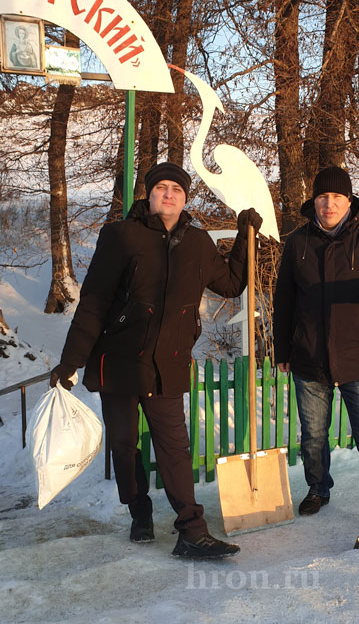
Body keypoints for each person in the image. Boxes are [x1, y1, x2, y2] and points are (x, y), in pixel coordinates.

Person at [51, 161, 262, 558]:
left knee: (174, 447)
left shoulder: (198, 243)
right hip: (118, 363)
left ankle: (192, 530)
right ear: (148, 194)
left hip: (167, 365)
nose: (169, 194)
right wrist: (70, 362)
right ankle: (139, 510)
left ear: (185, 199)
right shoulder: (120, 237)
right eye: (161, 187)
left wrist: (245, 236)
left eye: (177, 190)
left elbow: (233, 284)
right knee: (125, 443)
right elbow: (93, 303)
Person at [273, 165, 359, 545]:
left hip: (357, 358)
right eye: (323, 197)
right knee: (313, 437)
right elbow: (284, 299)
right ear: (314, 202)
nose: (329, 204)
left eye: (337, 197)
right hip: (309, 357)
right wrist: (283, 348)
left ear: (350, 202)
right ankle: (318, 488)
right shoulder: (298, 243)